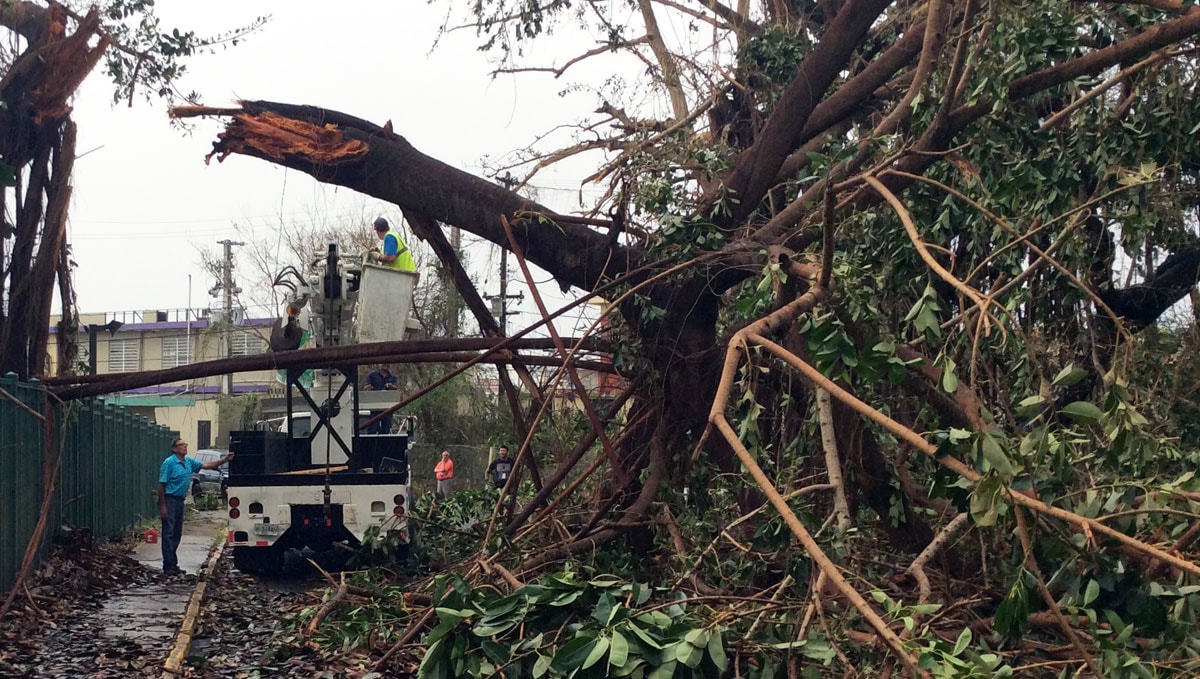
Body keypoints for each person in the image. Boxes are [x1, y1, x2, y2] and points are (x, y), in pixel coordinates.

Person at [158, 439, 232, 575]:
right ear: (174, 449)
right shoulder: (169, 463)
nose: (185, 446)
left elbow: (207, 465)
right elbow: (162, 485)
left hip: (180, 501)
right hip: (170, 499)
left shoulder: (189, 462)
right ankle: (168, 566)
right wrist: (163, 506)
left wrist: (224, 460)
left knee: (176, 533)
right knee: (168, 533)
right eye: (181, 445)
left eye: (186, 444)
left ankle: (172, 563)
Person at [362, 364, 398, 434]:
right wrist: (368, 387)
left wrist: (391, 387)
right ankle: (372, 443)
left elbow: (395, 388)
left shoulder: (393, 377)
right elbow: (365, 387)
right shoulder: (372, 375)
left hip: (387, 407)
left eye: (387, 362)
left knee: (386, 429)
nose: (385, 364)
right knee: (373, 429)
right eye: (383, 362)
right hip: (374, 406)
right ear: (379, 364)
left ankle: (384, 443)